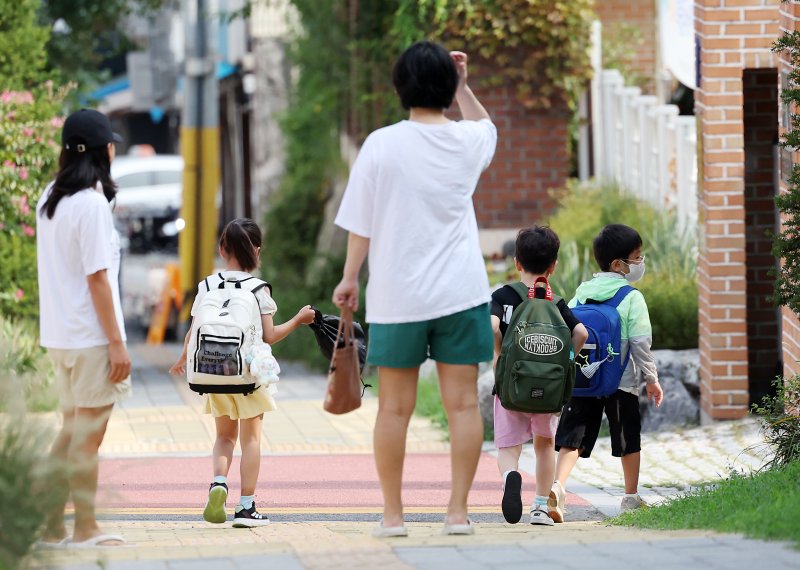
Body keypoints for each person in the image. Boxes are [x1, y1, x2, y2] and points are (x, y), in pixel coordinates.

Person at [332, 41, 497, 537]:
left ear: (400, 87)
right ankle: (458, 514)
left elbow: (360, 221)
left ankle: (393, 516)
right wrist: (464, 86)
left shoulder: (381, 144)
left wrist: (349, 276)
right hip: (461, 292)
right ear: (447, 88)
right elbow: (485, 126)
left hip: (397, 295)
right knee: (464, 405)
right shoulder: (467, 142)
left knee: (394, 408)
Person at [170, 218, 315, 527]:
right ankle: (246, 507)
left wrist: (183, 359)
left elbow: (193, 331)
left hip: (214, 374)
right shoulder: (258, 289)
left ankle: (219, 483)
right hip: (249, 376)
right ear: (257, 252)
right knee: (251, 440)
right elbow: (270, 335)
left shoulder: (207, 285)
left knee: (224, 437)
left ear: (223, 250)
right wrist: (300, 319)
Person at [36, 108, 131, 548]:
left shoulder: (49, 197)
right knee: (86, 438)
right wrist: (116, 344)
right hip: (91, 338)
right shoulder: (90, 204)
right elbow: (97, 278)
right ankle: (85, 528)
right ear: (104, 151)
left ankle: (51, 524)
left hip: (60, 336)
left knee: (71, 431)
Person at [549, 224, 664, 522]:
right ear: (618, 264)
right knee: (627, 437)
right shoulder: (631, 297)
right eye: (637, 258)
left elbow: (571, 331)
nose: (641, 263)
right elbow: (640, 345)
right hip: (620, 382)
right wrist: (651, 379)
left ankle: (558, 486)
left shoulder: (581, 293)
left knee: (572, 436)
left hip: (584, 379)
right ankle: (630, 497)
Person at [491, 227, 587, 526]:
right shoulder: (556, 303)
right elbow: (581, 333)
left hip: (509, 387)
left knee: (509, 448)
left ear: (517, 262)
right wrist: (566, 360)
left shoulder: (503, 296)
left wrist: (498, 356)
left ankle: (511, 476)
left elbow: (492, 327)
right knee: (544, 446)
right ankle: (541, 508)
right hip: (548, 388)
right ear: (553, 265)